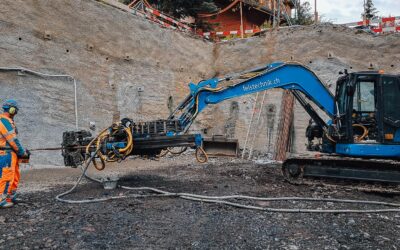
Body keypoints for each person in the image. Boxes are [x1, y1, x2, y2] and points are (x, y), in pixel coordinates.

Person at [0, 100, 29, 208]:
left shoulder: (8, 120)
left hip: (11, 152)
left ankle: (10, 196)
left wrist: (21, 152)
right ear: (12, 109)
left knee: (14, 174)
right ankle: (1, 199)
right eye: (15, 110)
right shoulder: (4, 121)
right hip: (5, 152)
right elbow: (13, 140)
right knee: (6, 175)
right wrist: (22, 152)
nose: (16, 112)